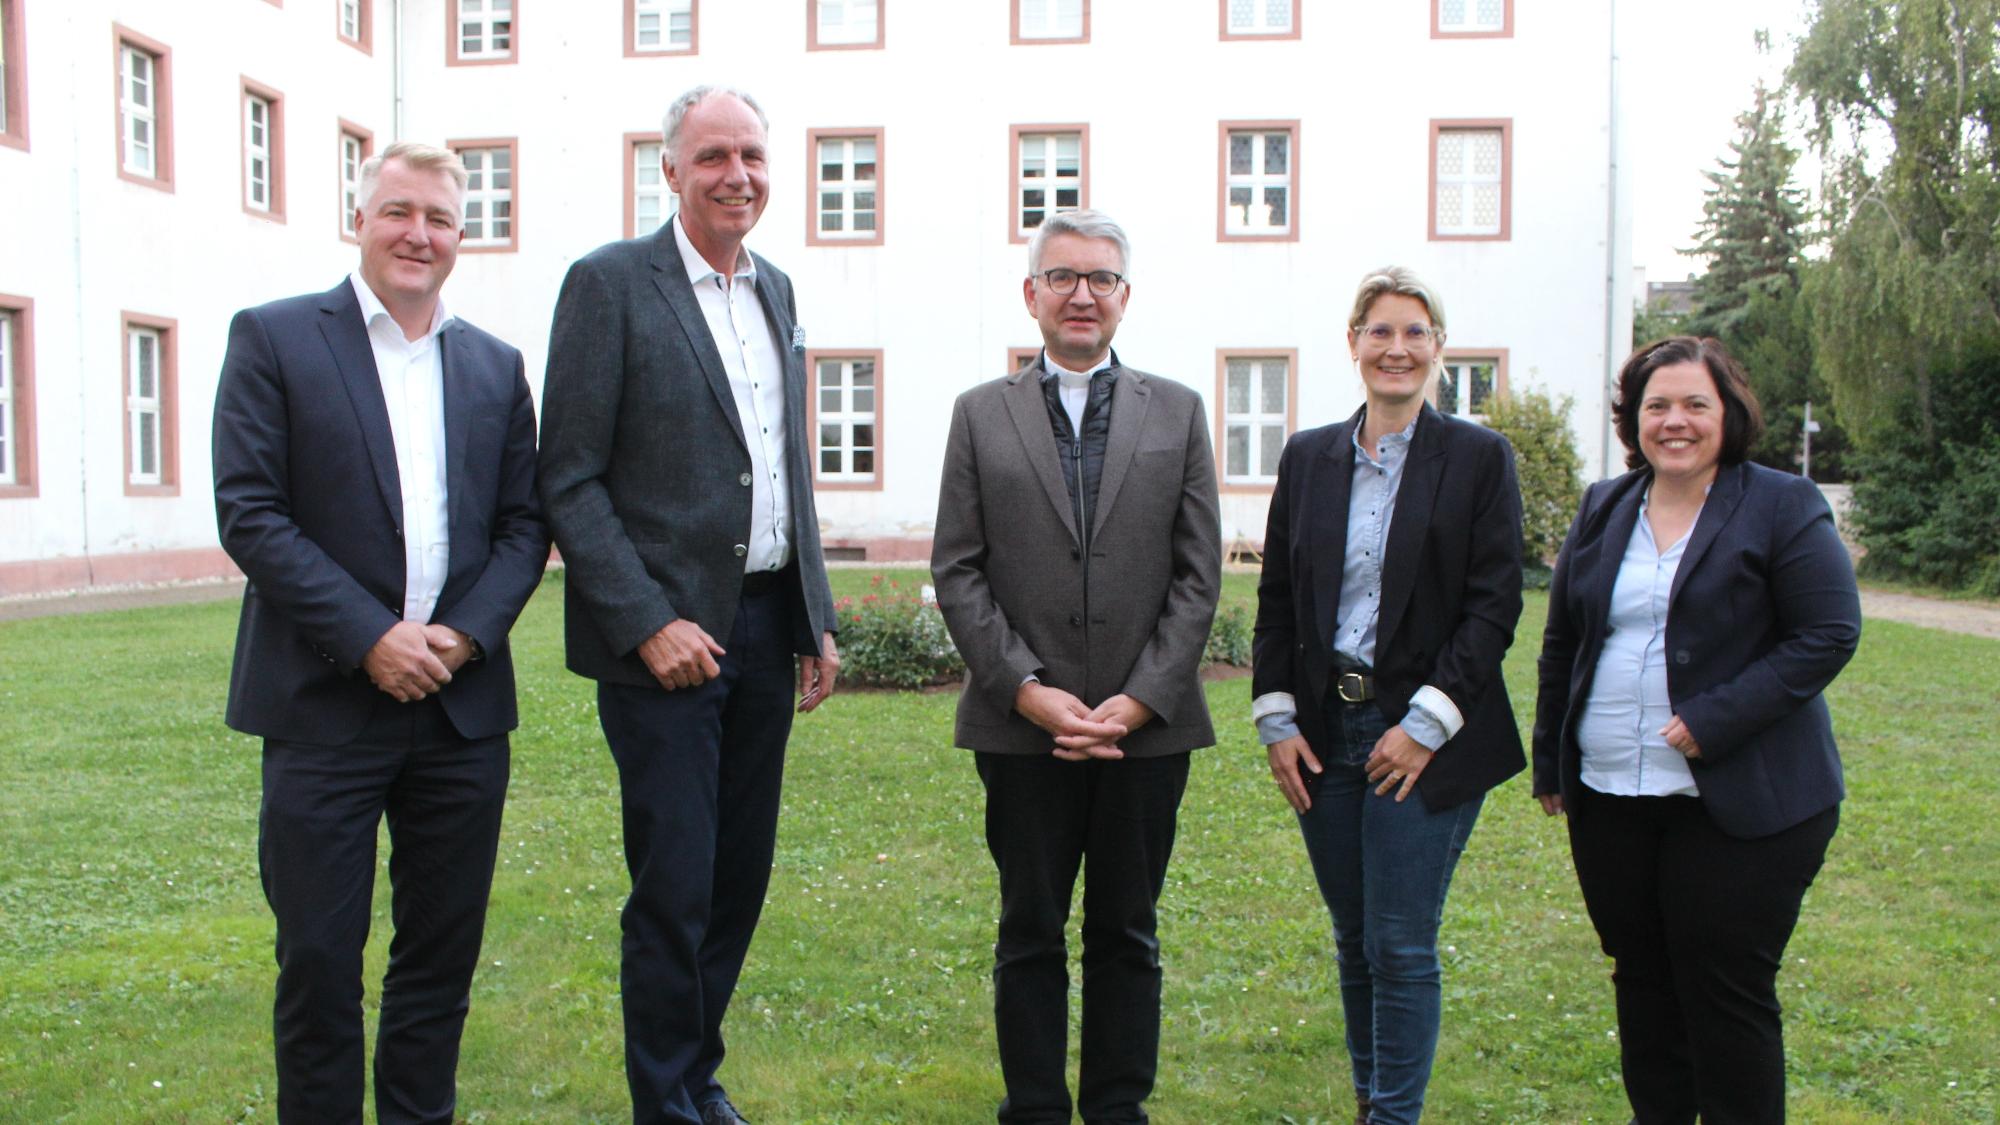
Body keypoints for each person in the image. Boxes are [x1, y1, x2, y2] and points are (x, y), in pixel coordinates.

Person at [212, 141, 548, 1124]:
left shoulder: (493, 365)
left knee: (438, 962)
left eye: (440, 218)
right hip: (320, 708)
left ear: (460, 236)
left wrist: (463, 636)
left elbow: (525, 525)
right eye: (399, 211)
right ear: (358, 220)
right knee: (316, 962)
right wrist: (371, 637)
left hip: (459, 711)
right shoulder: (275, 339)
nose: (419, 233)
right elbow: (252, 512)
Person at [536, 84, 840, 1125]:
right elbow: (567, 476)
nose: (736, 176)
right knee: (673, 886)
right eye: (712, 156)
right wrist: (645, 620)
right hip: (666, 642)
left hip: (762, 625)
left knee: (736, 881)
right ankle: (666, 1105)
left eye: (751, 155)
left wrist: (814, 613)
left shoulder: (777, 291)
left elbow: (785, 465)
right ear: (667, 170)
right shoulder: (610, 286)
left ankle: (694, 1082)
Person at [931, 209, 1222, 1125]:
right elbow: (958, 566)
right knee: (1029, 931)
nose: (1082, 293)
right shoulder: (981, 414)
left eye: (1100, 278)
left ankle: (1117, 1108)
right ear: (1032, 294)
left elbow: (1198, 571)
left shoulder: (1177, 411)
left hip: (1147, 732)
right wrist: (1026, 690)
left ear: (1126, 297)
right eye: (1062, 276)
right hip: (1024, 734)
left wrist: (1139, 699)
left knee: (1127, 933)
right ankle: (1034, 1109)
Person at [1531, 336, 1860, 1124]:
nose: (1674, 421)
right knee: (1642, 984)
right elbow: (1563, 639)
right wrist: (1552, 759)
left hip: (1742, 804)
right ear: (1634, 419)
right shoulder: (1604, 504)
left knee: (1723, 993)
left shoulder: (1779, 502)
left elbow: (1828, 631)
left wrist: (1715, 718)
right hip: (1612, 794)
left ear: (1728, 413)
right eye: (1657, 406)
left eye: (1694, 404)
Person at [1251, 267, 1525, 1125]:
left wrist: (1424, 726)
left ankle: (1393, 1118)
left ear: (1439, 349)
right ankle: (1374, 1103)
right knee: (1355, 939)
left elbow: (1493, 605)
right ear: (1353, 343)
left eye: (1415, 332)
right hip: (1324, 728)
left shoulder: (1479, 459)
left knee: (1400, 941)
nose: (1396, 348)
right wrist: (1276, 720)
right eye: (1380, 331)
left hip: (1425, 730)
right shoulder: (1309, 458)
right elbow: (1278, 602)